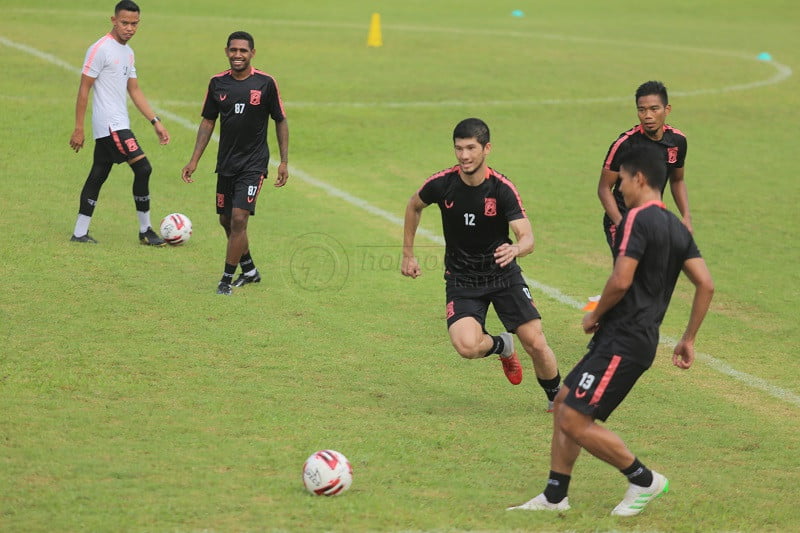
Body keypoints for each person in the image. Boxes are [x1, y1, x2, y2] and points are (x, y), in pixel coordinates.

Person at [508, 143, 714, 516]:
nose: (618, 189)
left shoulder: (636, 218)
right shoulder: (675, 226)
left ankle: (643, 479)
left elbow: (620, 280)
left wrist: (594, 314)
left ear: (639, 178)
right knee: (564, 402)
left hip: (625, 338)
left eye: (621, 180)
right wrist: (688, 338)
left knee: (573, 416)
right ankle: (555, 496)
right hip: (630, 336)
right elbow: (706, 283)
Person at [401, 118, 561, 411]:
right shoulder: (442, 184)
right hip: (462, 280)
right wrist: (408, 253)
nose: (464, 156)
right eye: (459, 148)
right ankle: (502, 346)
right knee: (466, 346)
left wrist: (516, 249)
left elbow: (527, 237)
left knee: (535, 342)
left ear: (486, 149)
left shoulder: (502, 189)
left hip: (503, 276)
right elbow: (414, 205)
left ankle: (557, 400)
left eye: (471, 148)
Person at [181, 31, 289, 295]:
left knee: (239, 219)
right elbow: (208, 121)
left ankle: (226, 280)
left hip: (253, 165)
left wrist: (284, 162)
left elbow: (280, 120)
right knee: (226, 220)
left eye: (243, 51)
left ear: (252, 53)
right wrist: (194, 159)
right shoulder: (217, 84)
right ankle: (250, 270)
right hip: (226, 163)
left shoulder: (265, 83)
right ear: (226, 51)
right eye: (233, 50)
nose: (237, 55)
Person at [69, 0, 170, 245]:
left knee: (98, 174)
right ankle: (145, 230)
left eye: (134, 24)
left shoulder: (128, 52)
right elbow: (84, 89)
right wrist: (79, 128)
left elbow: (134, 90)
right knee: (143, 168)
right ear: (114, 20)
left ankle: (80, 232)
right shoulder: (100, 48)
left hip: (117, 123)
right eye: (124, 23)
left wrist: (155, 121)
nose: (130, 28)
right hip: (111, 125)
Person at [597, 80, 692, 252]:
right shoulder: (625, 144)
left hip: (652, 220)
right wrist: (620, 224)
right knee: (627, 274)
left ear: (667, 110)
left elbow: (677, 180)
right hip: (620, 219)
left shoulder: (677, 141)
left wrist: (686, 216)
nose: (648, 116)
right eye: (642, 110)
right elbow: (604, 188)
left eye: (654, 109)